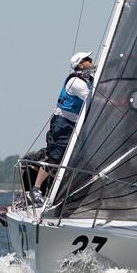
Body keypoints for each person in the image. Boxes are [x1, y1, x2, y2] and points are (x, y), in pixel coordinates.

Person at [30, 51, 95, 205]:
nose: (91, 60)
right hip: (62, 122)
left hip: (76, 123)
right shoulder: (76, 82)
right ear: (80, 65)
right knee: (56, 156)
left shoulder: (89, 79)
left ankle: (67, 191)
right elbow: (94, 99)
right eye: (87, 59)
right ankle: (36, 191)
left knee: (78, 156)